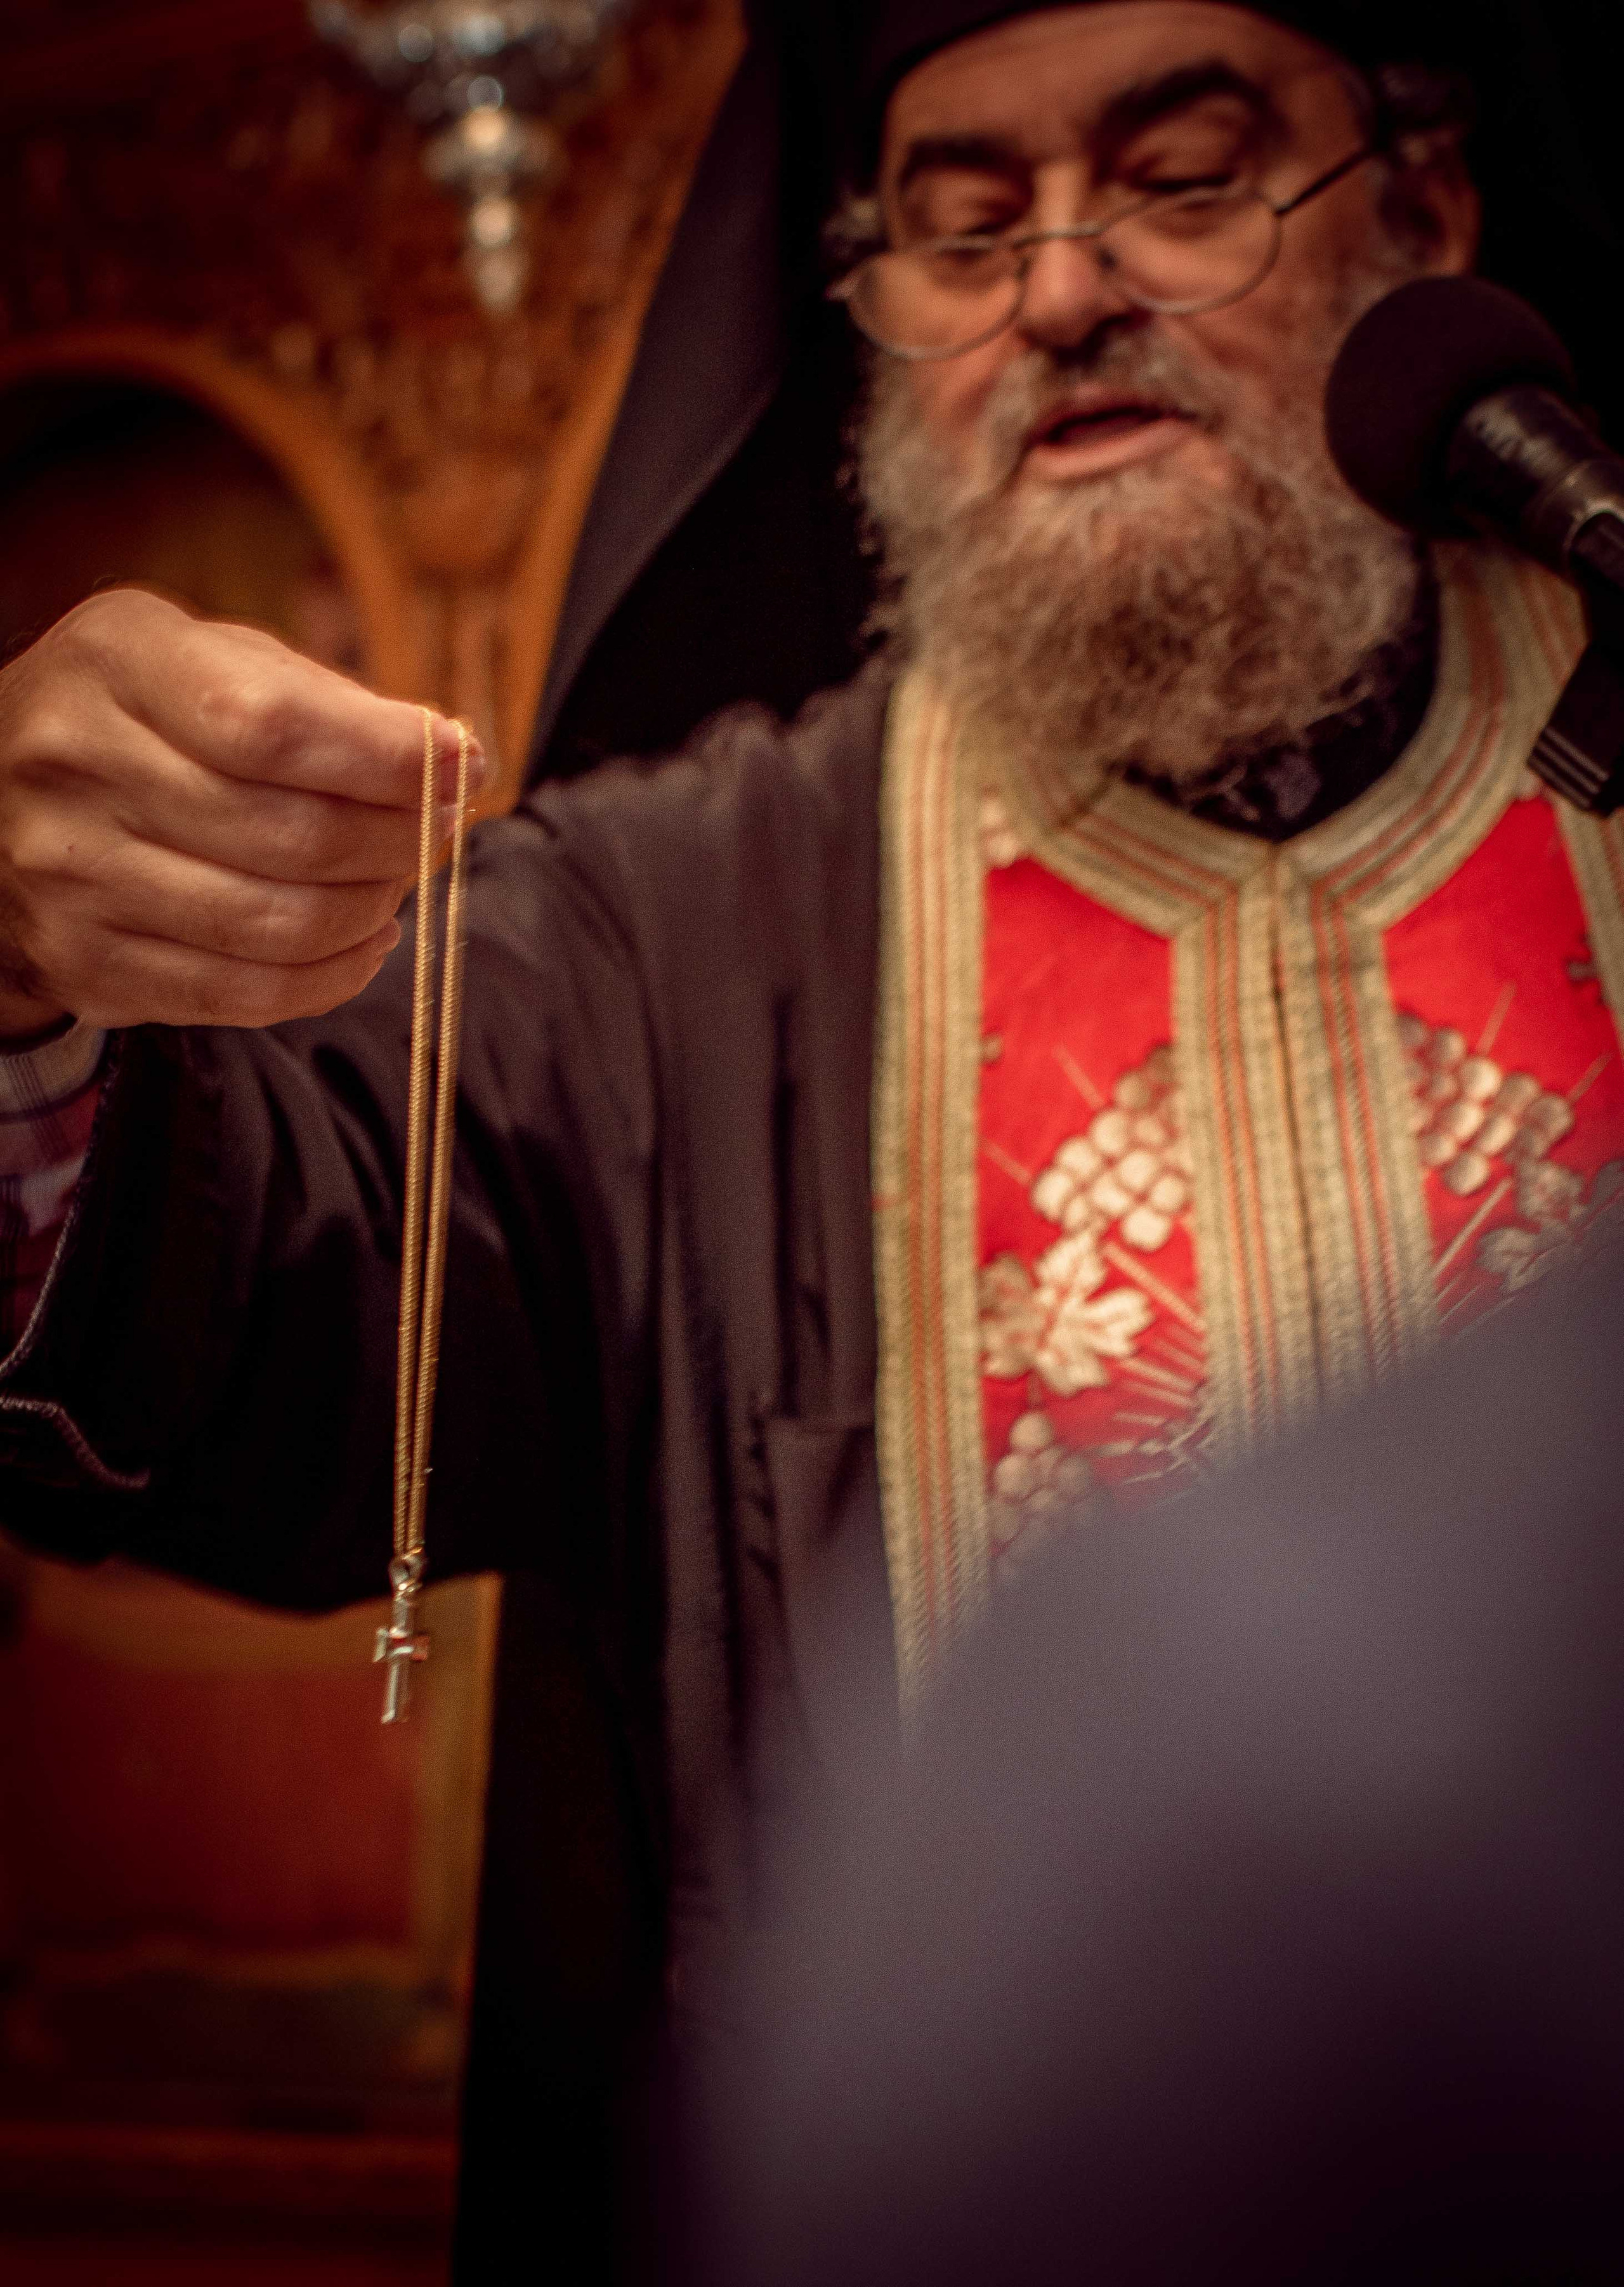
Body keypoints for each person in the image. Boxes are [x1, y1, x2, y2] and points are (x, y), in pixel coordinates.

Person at [0, 3, 1618, 2272]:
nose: (1063, 290)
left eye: (1180, 182)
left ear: (1422, 213)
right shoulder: (690, 922)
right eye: (960, 227)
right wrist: (16, 975)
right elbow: (251, 1278)